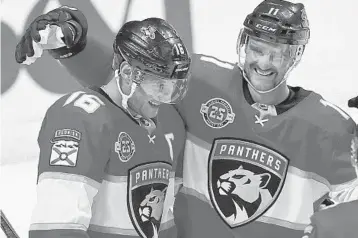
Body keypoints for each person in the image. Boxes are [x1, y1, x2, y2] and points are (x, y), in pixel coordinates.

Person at [15, 1, 358, 238]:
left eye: (277, 53)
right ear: (243, 43)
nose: (263, 62)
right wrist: (76, 48)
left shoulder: (331, 127)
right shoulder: (201, 82)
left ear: (295, 55)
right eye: (257, 48)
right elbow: (132, 76)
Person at [15, 6, 190, 238]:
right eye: (159, 85)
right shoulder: (79, 117)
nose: (165, 98)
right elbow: (57, 229)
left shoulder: (169, 125)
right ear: (128, 73)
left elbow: (162, 224)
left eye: (172, 88)